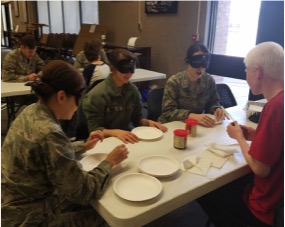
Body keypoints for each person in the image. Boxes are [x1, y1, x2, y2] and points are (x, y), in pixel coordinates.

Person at [1, 60, 129, 226]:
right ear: (61, 96)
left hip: (12, 202)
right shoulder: (50, 132)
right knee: (108, 215)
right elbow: (84, 191)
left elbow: (48, 154)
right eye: (77, 99)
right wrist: (109, 162)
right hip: (27, 216)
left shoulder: (31, 110)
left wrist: (83, 146)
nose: (78, 107)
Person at [197, 42, 284, 227]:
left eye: (247, 70)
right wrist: (255, 134)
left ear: (258, 71)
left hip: (263, 211)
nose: (246, 75)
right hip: (278, 199)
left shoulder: (274, 108)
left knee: (204, 190)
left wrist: (239, 138)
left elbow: (261, 168)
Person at [81, 48, 167, 144]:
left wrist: (147, 122)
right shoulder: (97, 95)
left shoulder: (132, 91)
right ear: (112, 68)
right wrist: (116, 133)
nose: (129, 73)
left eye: (132, 69)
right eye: (124, 69)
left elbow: (137, 117)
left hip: (126, 138)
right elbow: (94, 130)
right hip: (104, 142)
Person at [158, 43, 226, 127]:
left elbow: (213, 102)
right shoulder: (174, 82)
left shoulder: (208, 80)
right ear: (188, 62)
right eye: (197, 62)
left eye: (204, 64)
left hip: (193, 126)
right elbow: (168, 112)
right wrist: (191, 116)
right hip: (170, 125)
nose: (200, 68)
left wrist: (216, 109)